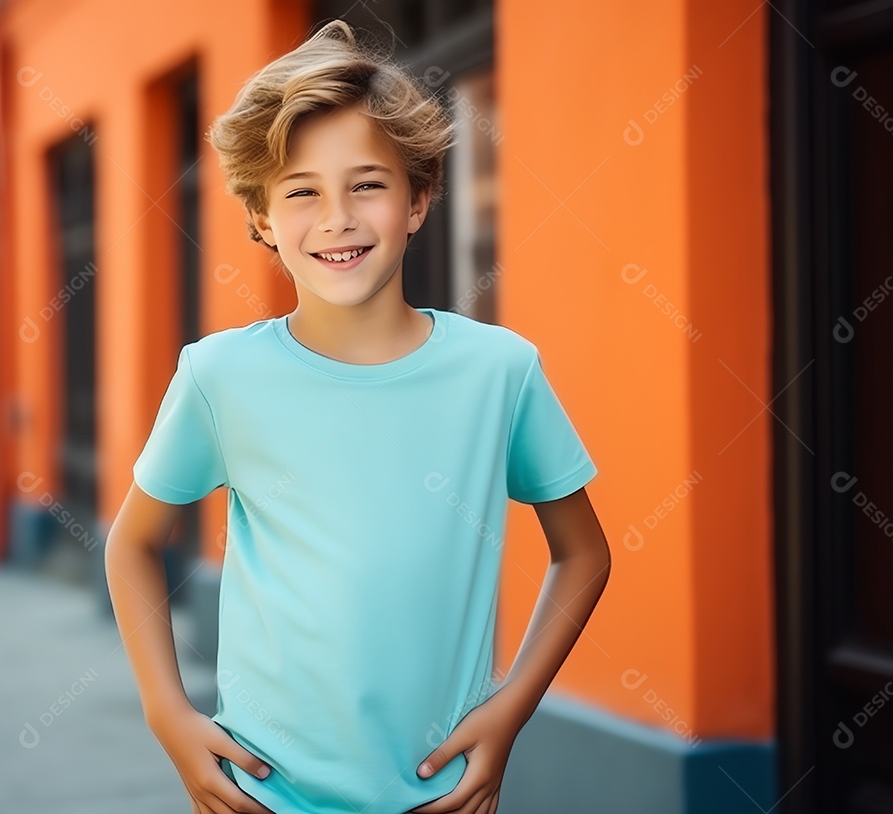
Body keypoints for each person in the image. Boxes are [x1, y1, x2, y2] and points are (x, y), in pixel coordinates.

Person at [104, 18, 611, 814]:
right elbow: (132, 544)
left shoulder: (498, 371)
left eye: (367, 184)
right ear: (264, 220)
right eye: (302, 191)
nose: (337, 217)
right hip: (265, 796)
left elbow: (583, 555)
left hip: (438, 795)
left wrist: (509, 712)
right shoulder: (219, 376)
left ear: (419, 199)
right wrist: (167, 713)